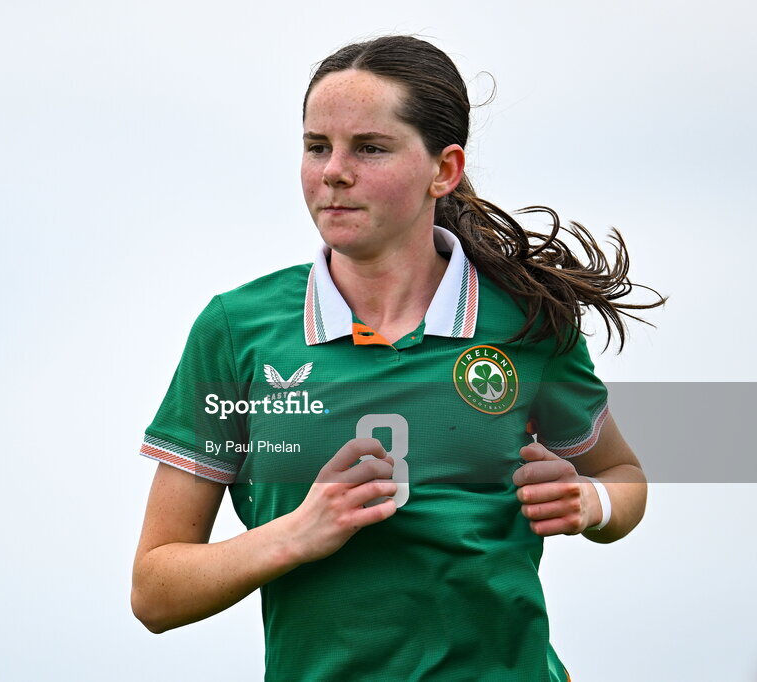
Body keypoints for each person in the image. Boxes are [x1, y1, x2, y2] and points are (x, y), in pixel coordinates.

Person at [131, 35, 664, 681]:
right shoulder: (235, 329)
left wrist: (591, 504)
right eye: (316, 146)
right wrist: (295, 535)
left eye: (370, 148)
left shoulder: (528, 320)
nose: (334, 171)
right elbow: (155, 592)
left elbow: (624, 477)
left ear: (444, 169)